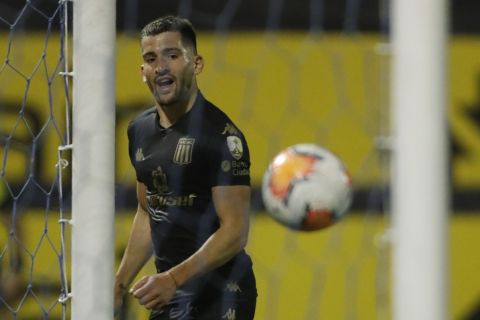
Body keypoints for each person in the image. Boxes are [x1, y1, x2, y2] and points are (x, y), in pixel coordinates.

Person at [114, 15, 257, 320]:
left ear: (197, 64)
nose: (161, 66)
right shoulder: (138, 130)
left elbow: (235, 231)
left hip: (222, 293)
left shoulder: (222, 136)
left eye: (172, 55)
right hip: (169, 294)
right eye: (151, 59)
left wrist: (173, 279)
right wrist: (119, 281)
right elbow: (147, 211)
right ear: (143, 72)